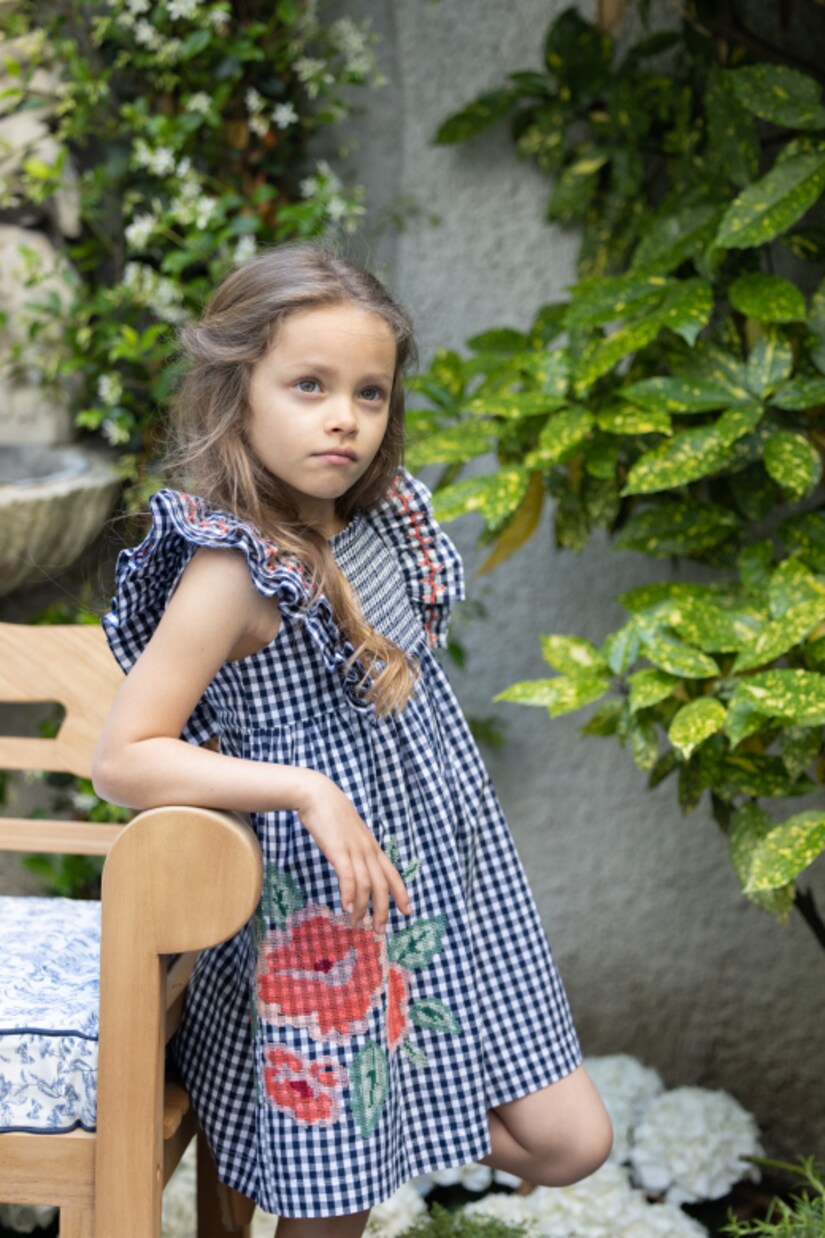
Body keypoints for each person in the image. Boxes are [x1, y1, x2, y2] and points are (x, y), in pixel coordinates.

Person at [92, 243, 612, 1236]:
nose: (345, 416)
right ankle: (318, 1132)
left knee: (569, 1137)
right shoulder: (234, 571)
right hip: (317, 921)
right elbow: (125, 756)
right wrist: (308, 789)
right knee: (332, 1205)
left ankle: (386, 1119)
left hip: (443, 889)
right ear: (236, 392)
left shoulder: (378, 521)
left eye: (368, 393)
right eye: (309, 385)